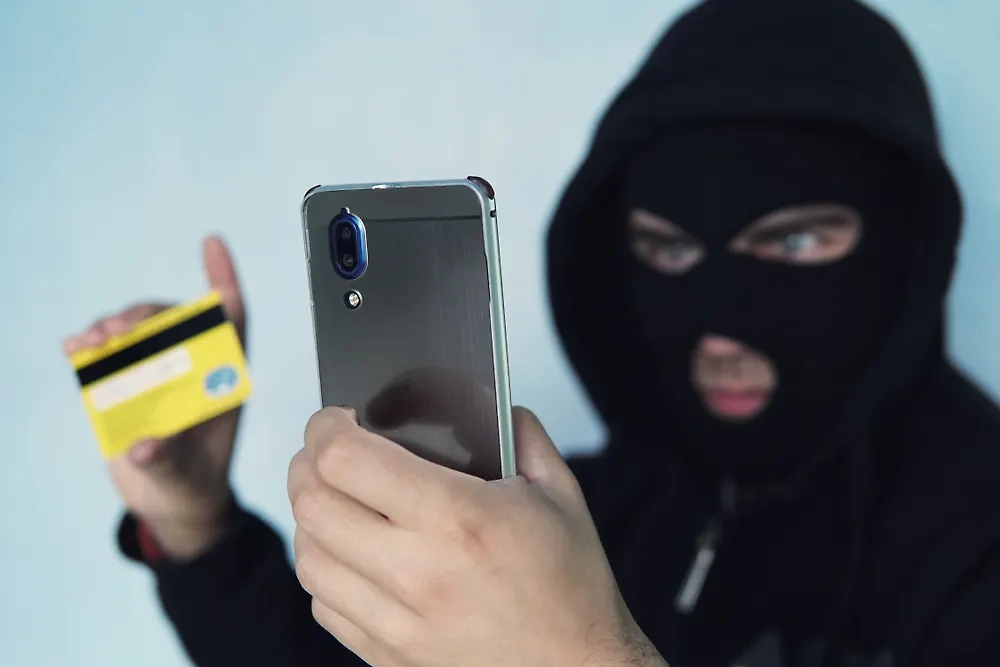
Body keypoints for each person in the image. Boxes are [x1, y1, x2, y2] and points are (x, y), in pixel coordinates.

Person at [63, 1, 1000, 666]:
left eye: (792, 243)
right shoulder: (586, 508)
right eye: (668, 250)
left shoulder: (978, 540)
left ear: (908, 248)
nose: (719, 330)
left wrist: (576, 653)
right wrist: (195, 522)